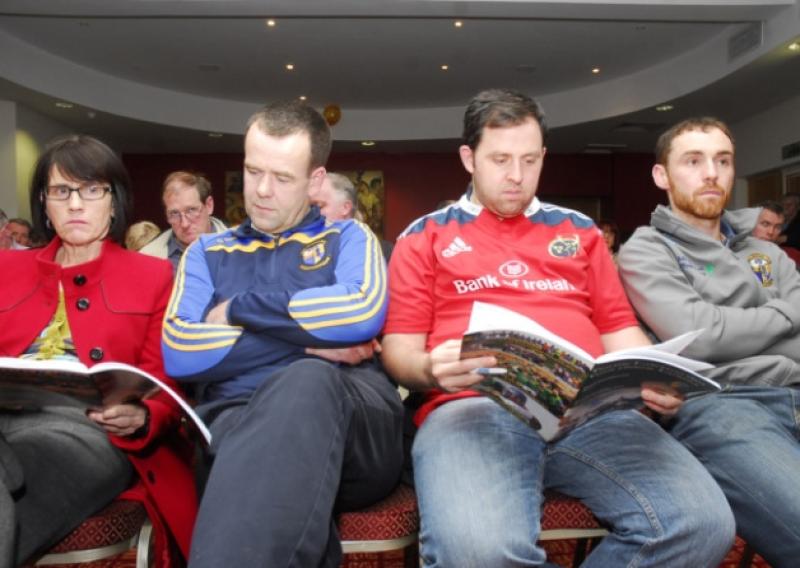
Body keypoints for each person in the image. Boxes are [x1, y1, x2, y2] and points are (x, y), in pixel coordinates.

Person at [380, 89, 734, 567]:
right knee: (479, 554)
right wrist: (429, 367)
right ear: (469, 158)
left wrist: (653, 376)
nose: (516, 176)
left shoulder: (580, 231)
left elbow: (617, 328)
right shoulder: (425, 235)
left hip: (591, 412)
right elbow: (399, 353)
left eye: (529, 160)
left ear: (544, 156)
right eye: (500, 159)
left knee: (701, 525)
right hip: (474, 408)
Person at [161, 101, 403, 567]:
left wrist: (239, 309)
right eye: (253, 172)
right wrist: (311, 339)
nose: (262, 191)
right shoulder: (207, 253)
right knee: (268, 438)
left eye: (283, 177)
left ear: (316, 181)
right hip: (238, 422)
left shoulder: (350, 239)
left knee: (306, 382)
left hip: (357, 424)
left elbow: (360, 316)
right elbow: (180, 351)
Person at [0, 135, 196, 567]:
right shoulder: (5, 269)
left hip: (86, 433)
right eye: (61, 191)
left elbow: (165, 382)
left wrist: (143, 415)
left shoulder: (153, 274)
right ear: (44, 203)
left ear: (114, 201)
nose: (75, 204)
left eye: (91, 190)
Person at [618, 117, 800, 566]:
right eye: (693, 161)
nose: (711, 173)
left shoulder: (768, 251)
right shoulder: (646, 249)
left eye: (722, 161)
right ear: (662, 176)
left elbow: (722, 330)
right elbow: (698, 335)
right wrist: (784, 314)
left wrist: (732, 328)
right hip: (721, 403)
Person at [140, 170, 227, 271]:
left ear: (209, 206)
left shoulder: (242, 250)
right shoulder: (148, 258)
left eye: (191, 210)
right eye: (174, 213)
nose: (184, 224)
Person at [311, 171, 395, 260]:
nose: (313, 212)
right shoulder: (308, 252)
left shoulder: (381, 252)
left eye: (320, 206)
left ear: (345, 208)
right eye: (311, 207)